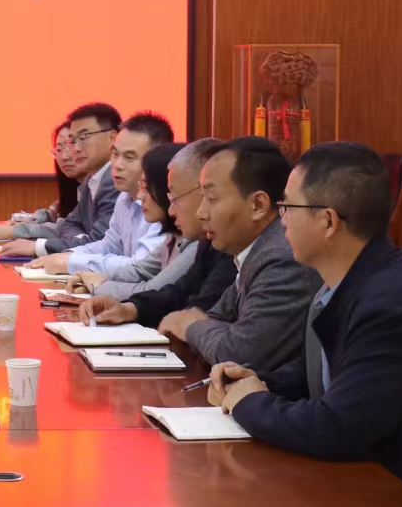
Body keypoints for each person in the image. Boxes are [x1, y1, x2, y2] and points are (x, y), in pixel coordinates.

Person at [206, 142, 402, 498]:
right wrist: (257, 381)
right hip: (351, 481)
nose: (282, 220)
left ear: (328, 221)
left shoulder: (390, 307)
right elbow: (319, 372)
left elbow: (336, 428)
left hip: (394, 501)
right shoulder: (348, 279)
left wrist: (249, 403)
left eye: (288, 207)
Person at [88, 136, 318, 375]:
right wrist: (196, 323)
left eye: (211, 199)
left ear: (258, 205)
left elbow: (237, 353)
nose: (201, 213)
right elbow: (211, 316)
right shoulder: (250, 252)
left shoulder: (282, 259)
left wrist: (192, 326)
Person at [77, 138, 236, 325]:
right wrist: (131, 309)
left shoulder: (229, 247)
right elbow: (178, 293)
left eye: (212, 198)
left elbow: (203, 316)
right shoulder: (207, 242)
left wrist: (98, 285)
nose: (171, 210)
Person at [30, 113, 175, 277]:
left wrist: (70, 263)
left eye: (129, 157)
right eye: (115, 154)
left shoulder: (164, 204)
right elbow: (108, 246)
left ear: (155, 162)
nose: (117, 165)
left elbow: (140, 266)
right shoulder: (124, 196)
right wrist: (66, 256)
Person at [0, 102, 123, 255]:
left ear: (112, 138)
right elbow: (69, 224)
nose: (76, 149)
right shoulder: (91, 179)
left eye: (83, 137)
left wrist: (38, 247)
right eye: (72, 141)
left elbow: (98, 244)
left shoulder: (115, 181)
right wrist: (80, 238)